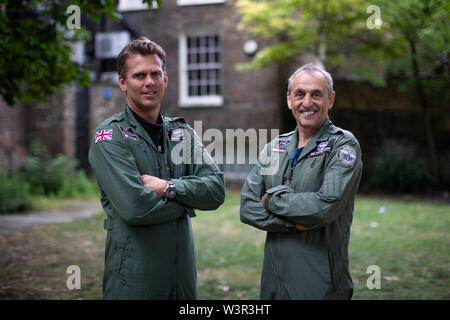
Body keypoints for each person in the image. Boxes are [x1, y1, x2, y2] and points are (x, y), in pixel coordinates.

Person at [89, 37, 225, 300]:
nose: (149, 82)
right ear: (123, 83)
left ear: (165, 79)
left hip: (182, 283)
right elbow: (135, 208)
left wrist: (168, 187)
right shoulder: (110, 135)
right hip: (135, 283)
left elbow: (216, 190)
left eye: (155, 74)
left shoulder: (181, 132)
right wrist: (189, 201)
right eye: (139, 75)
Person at [240, 63, 363, 300]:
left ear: (331, 99)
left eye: (316, 94)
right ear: (289, 100)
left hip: (320, 286)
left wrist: (271, 199)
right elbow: (247, 207)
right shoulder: (275, 148)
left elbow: (325, 207)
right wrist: (292, 225)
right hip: (273, 284)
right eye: (300, 94)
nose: (307, 102)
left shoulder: (342, 145)